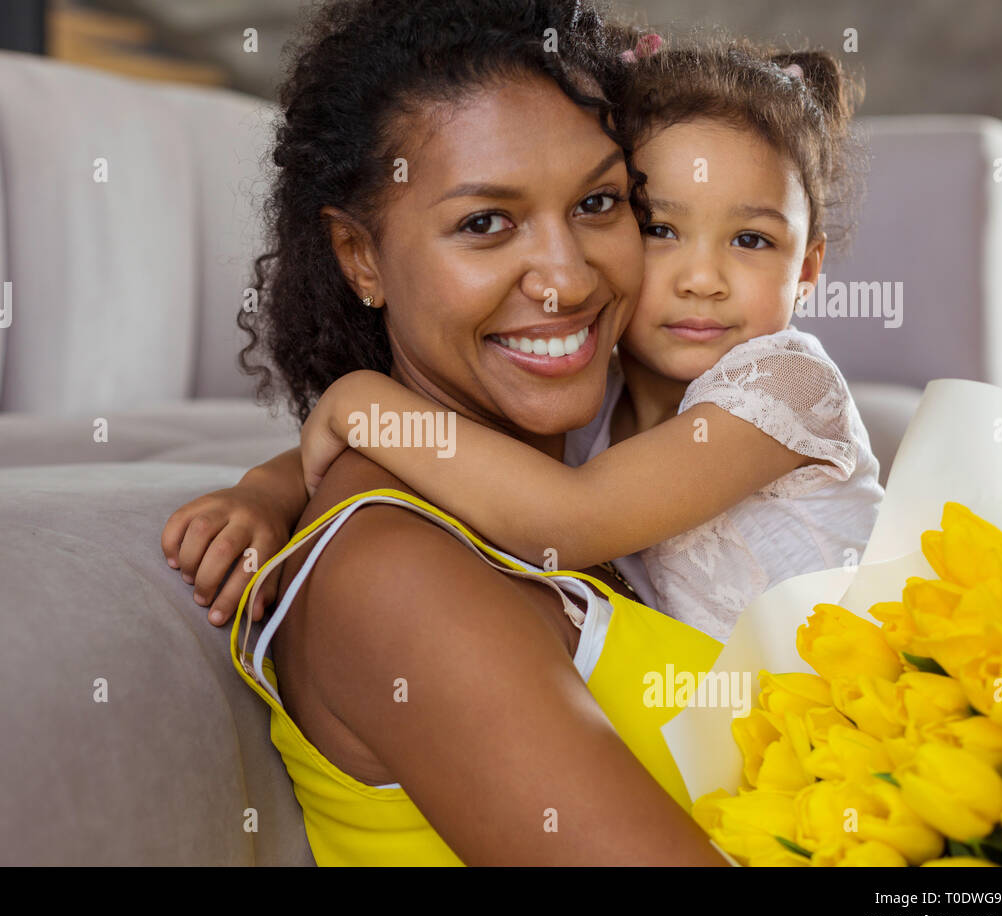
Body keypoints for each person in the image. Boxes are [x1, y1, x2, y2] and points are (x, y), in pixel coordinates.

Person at [162, 0, 728, 865]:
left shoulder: (602, 457)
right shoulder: (396, 575)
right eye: (484, 223)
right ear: (361, 257)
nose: (567, 280)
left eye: (599, 202)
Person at [294, 35, 883, 641]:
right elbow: (460, 447)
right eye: (659, 228)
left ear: (807, 271)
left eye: (751, 240)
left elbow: (570, 522)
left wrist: (359, 403)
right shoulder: (594, 391)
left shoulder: (785, 386)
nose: (703, 281)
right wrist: (271, 490)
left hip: (873, 712)